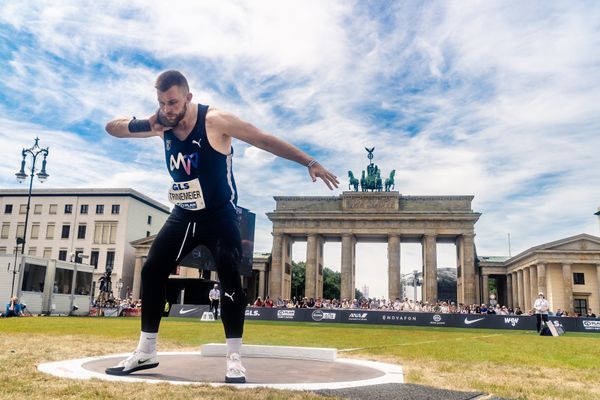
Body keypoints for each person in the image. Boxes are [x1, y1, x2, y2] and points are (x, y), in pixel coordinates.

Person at [103, 70, 338, 382]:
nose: (168, 109)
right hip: (184, 213)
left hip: (220, 214)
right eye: (162, 103)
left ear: (188, 97)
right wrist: (148, 123)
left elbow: (263, 139)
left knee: (229, 280)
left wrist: (310, 162)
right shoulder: (162, 124)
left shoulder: (215, 120)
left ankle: (234, 357)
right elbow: (113, 128)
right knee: (152, 269)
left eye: (172, 102)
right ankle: (146, 350)